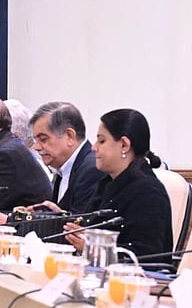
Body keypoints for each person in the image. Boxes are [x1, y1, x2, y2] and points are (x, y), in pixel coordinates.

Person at [62, 108, 171, 258]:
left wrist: (93, 250)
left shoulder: (148, 192)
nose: (94, 148)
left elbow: (146, 255)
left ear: (124, 145)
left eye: (102, 140)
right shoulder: (107, 183)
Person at [0, 101, 103, 230]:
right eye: (35, 140)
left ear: (69, 136)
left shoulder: (91, 170)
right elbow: (59, 216)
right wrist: (30, 215)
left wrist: (14, 221)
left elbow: (75, 230)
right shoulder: (64, 169)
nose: (36, 147)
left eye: (43, 139)